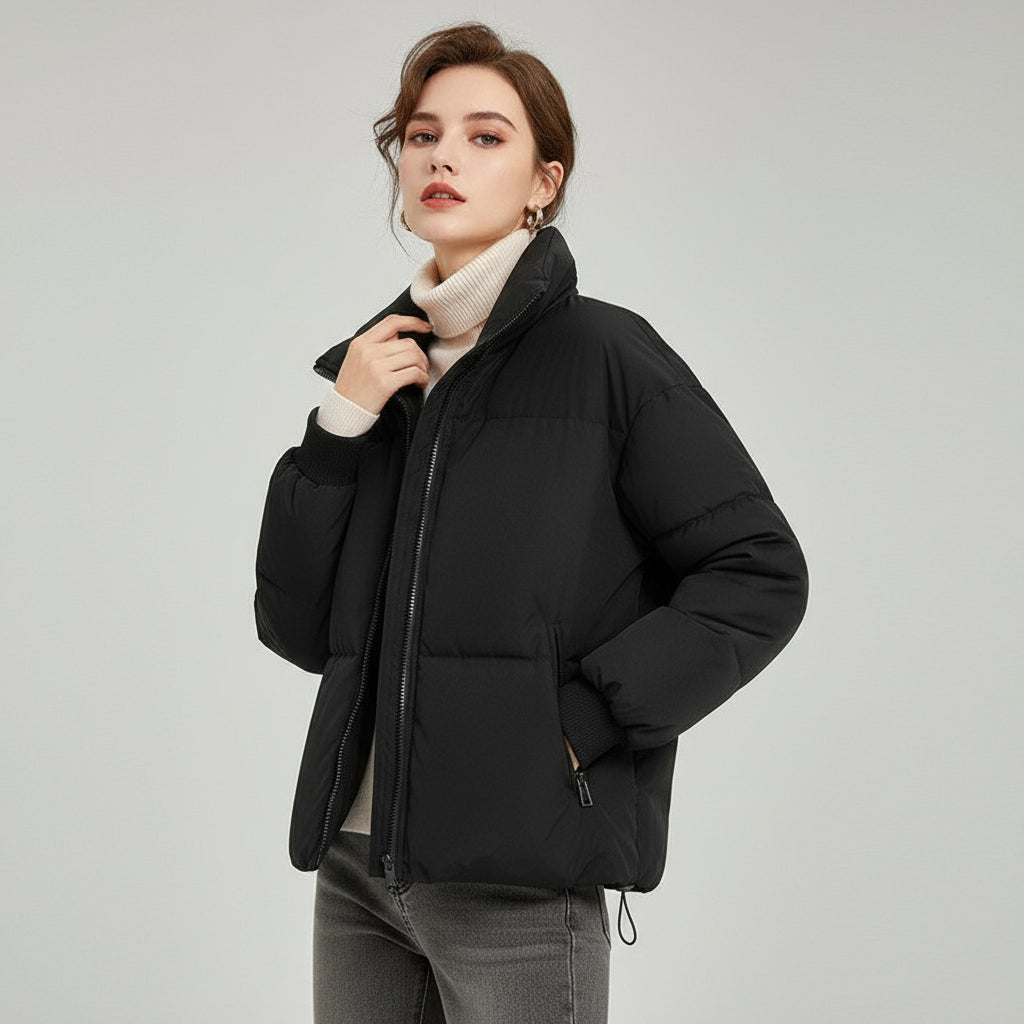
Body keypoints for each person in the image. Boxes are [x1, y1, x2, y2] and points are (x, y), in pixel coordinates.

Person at [253, 21, 809, 1024]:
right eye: (422, 136)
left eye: (485, 136)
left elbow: (758, 571)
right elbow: (296, 628)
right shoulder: (381, 375)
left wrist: (580, 725)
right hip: (357, 872)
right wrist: (337, 430)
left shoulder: (606, 356)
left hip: (518, 877)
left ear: (542, 182)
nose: (443, 157)